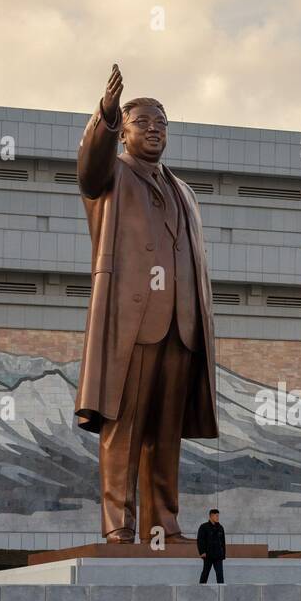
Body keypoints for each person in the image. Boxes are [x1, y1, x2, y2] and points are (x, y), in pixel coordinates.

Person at [73, 63, 219, 545]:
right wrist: (107, 114)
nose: (154, 130)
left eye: (162, 124)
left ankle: (165, 526)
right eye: (142, 123)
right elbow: (89, 164)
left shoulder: (186, 192)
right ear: (123, 135)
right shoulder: (110, 177)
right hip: (132, 324)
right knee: (124, 427)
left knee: (165, 433)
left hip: (181, 326)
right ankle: (120, 526)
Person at [197, 509, 226, 584]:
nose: (218, 517)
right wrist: (202, 552)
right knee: (205, 574)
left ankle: (221, 591)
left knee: (220, 575)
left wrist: (223, 554)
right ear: (211, 516)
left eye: (218, 516)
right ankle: (201, 589)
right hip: (208, 555)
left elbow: (223, 542)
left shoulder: (220, 528)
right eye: (216, 516)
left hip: (218, 556)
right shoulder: (204, 527)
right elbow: (200, 540)